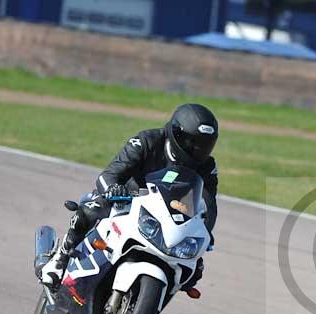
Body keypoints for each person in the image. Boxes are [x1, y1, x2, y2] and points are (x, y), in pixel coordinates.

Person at [41, 103, 220, 289]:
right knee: (89, 211)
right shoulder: (147, 141)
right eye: (193, 143)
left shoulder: (207, 166)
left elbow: (209, 204)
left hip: (167, 215)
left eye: (204, 146)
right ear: (176, 134)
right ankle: (60, 258)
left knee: (194, 269)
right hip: (126, 200)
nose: (198, 150)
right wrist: (113, 189)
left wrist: (206, 230)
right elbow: (108, 175)